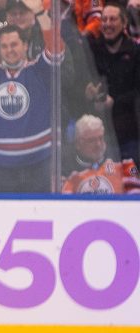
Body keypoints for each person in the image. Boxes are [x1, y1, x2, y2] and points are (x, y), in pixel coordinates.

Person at [0, 0, 65, 192]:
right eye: (5, 46)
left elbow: (56, 47)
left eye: (14, 44)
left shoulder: (39, 71)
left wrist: (40, 13)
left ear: (25, 46)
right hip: (2, 169)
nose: (10, 50)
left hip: (40, 164)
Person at [86, 2, 140, 165]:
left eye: (113, 19)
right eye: (104, 20)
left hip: (129, 136)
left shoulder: (135, 52)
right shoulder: (91, 49)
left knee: (133, 178)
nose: (107, 24)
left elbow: (138, 92)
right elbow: (79, 84)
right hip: (97, 137)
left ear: (124, 23)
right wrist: (87, 92)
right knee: (102, 182)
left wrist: (114, 101)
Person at [62, 114, 140, 194]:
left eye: (100, 138)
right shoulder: (65, 169)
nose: (98, 144)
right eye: (92, 140)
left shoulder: (123, 161)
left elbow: (135, 198)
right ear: (78, 144)